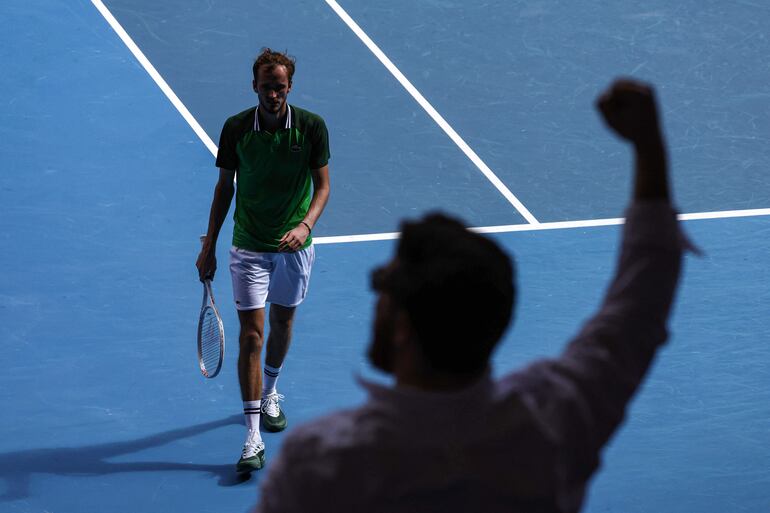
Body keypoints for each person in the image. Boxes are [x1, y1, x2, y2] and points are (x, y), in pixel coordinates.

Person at [253, 79, 694, 512]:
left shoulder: (321, 468)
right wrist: (649, 146)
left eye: (382, 287)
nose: (376, 297)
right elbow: (639, 308)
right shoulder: (552, 421)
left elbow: (641, 305)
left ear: (404, 327)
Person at [196, 48, 331, 474]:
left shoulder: (311, 127)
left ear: (290, 87)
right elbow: (224, 189)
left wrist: (306, 226)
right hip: (249, 246)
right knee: (250, 337)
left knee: (283, 324)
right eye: (267, 85)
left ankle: (270, 389)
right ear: (254, 86)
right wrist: (209, 245)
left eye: (280, 86)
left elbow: (323, 186)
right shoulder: (236, 128)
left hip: (294, 248)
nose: (274, 93)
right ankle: (252, 436)